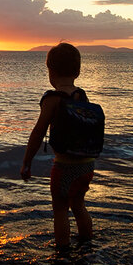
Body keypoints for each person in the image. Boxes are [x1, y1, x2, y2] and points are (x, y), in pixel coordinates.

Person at [20, 43, 95, 249]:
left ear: (50, 71)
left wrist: (27, 163)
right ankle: (87, 244)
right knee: (79, 205)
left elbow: (38, 132)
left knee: (60, 210)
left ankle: (62, 254)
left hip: (64, 166)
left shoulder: (52, 99)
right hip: (87, 164)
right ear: (77, 71)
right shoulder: (81, 94)